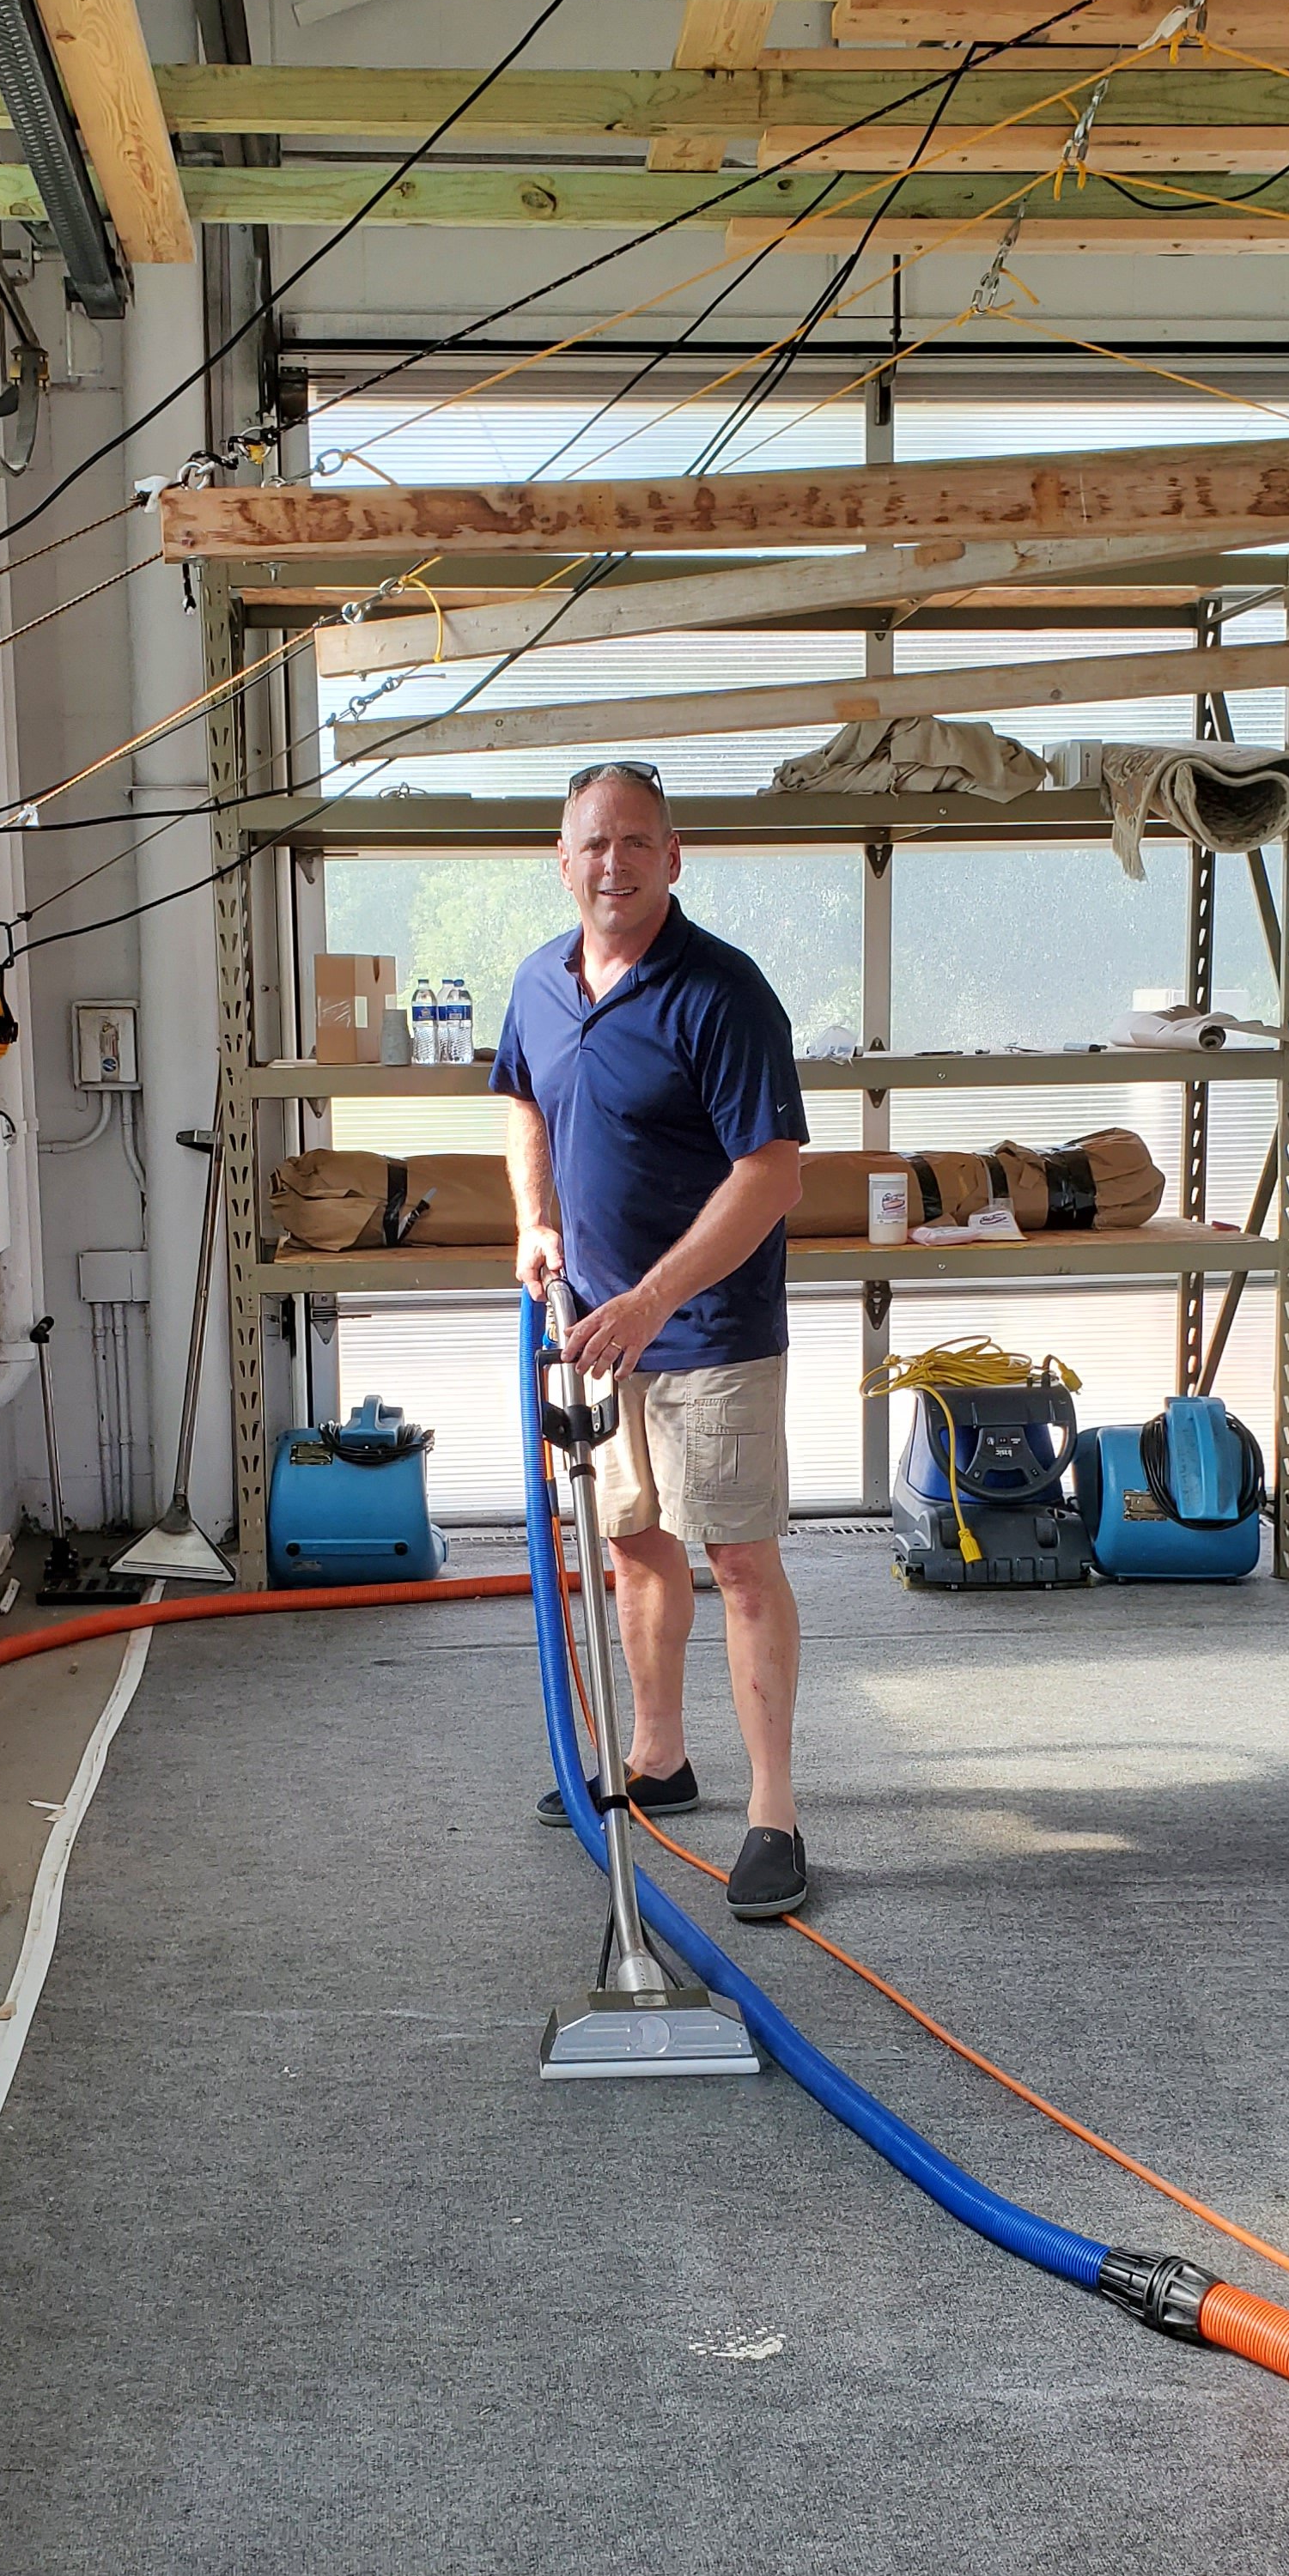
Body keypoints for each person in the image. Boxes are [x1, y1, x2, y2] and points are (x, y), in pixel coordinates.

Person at [490, 761, 812, 1921]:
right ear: (562, 862)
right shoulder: (538, 983)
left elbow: (772, 1174)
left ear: (673, 858)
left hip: (710, 1330)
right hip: (592, 1329)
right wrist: (535, 1220)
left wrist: (656, 1299)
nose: (613, 864)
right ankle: (658, 1758)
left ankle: (773, 1811)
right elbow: (522, 1097)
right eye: (594, 843)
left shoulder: (723, 993)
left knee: (739, 1562)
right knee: (632, 1546)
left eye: (637, 842)